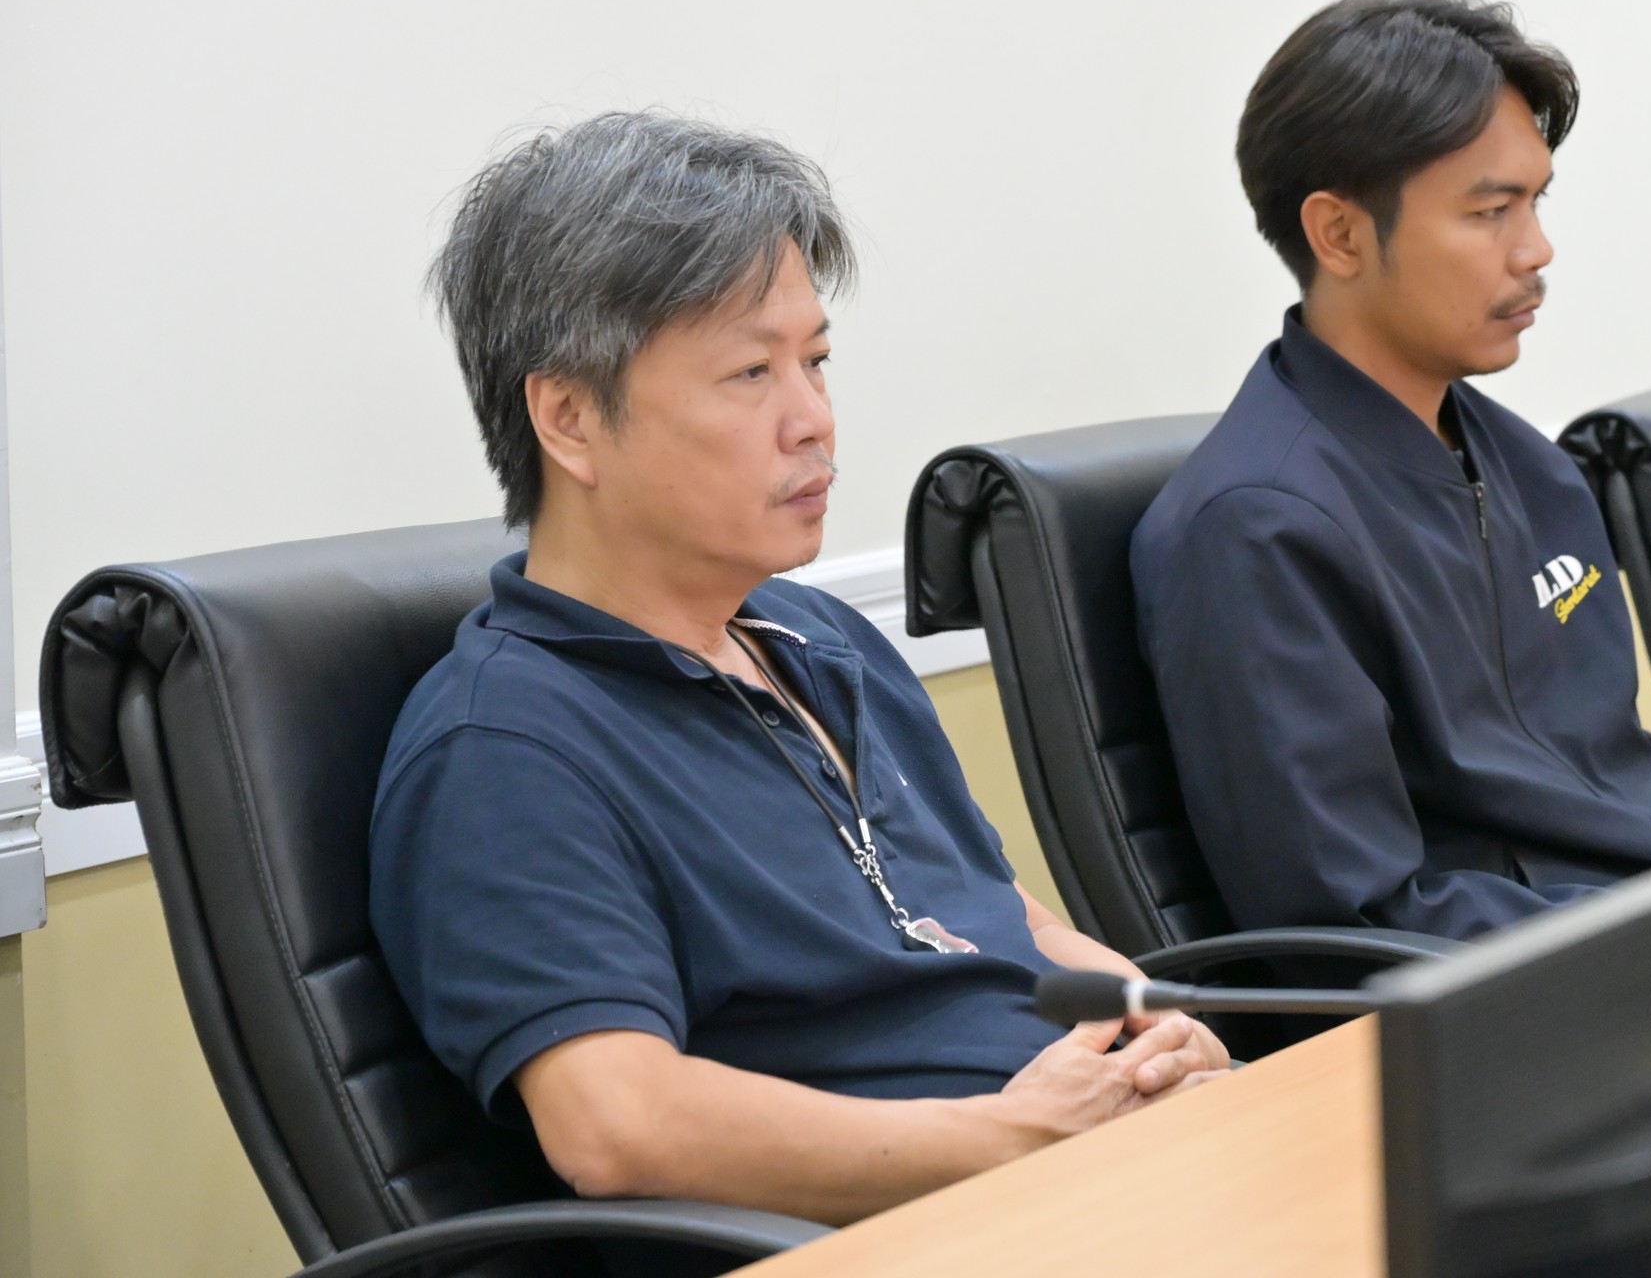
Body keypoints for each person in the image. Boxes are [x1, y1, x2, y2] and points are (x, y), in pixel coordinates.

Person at [372, 114, 1225, 1225]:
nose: (814, 420)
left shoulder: (821, 639)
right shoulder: (503, 746)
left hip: (1089, 1178)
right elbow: (616, 1125)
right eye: (749, 373)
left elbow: (1000, 920)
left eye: (815, 362)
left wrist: (1154, 1023)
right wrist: (1015, 1137)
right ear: (570, 418)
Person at [1131, 0, 1651, 944]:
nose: (1537, 250)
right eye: (1491, 211)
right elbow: (1360, 919)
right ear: (1339, 235)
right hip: (1540, 989)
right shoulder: (1257, 530)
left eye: (1536, 202)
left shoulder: (1532, 468)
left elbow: (1616, 793)